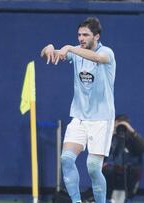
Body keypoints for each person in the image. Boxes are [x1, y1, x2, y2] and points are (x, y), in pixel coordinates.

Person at [40, 17, 116, 203]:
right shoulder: (75, 52)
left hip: (101, 119)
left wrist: (71, 48)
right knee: (66, 159)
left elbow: (98, 58)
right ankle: (76, 201)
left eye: (85, 35)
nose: (81, 38)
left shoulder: (106, 52)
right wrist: (48, 48)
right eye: (79, 35)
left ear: (96, 36)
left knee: (92, 167)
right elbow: (49, 54)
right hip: (79, 117)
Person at [103, 114, 144, 203]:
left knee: (133, 169)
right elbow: (101, 152)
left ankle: (127, 198)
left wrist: (131, 131)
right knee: (106, 168)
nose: (121, 128)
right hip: (111, 172)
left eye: (124, 125)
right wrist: (112, 133)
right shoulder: (110, 137)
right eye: (119, 124)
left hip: (129, 172)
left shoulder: (132, 138)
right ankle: (108, 198)